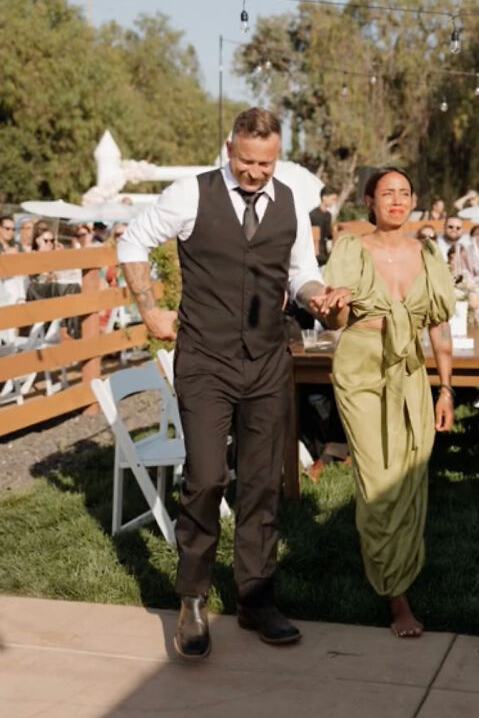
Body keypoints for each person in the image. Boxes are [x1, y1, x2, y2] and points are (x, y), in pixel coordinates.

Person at [118, 107, 349, 660]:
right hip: (205, 360)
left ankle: (255, 597)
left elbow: (299, 273)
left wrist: (317, 295)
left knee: (263, 482)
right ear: (229, 148)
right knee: (204, 476)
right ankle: (193, 598)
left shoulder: (289, 199)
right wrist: (151, 312)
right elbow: (131, 243)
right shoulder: (189, 194)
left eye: (266, 163)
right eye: (247, 161)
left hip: (268, 359)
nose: (255, 173)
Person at [322, 167, 455, 638]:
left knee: (410, 472)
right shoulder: (351, 249)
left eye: (404, 193)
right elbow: (336, 320)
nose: (397, 200)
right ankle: (396, 597)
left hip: (413, 371)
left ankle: (400, 576)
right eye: (387, 193)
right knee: (378, 478)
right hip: (362, 366)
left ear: (414, 200)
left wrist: (445, 389)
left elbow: (439, 326)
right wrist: (335, 302)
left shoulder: (429, 253)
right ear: (369, 202)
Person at [309, 185, 338, 266]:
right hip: (314, 255)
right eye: (333, 199)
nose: (334, 202)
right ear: (324, 198)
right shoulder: (313, 215)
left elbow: (328, 234)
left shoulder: (328, 215)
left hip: (324, 254)